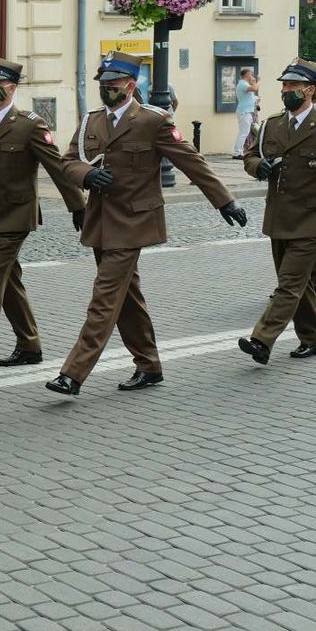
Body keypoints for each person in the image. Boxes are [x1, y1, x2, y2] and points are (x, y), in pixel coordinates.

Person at [46, 51, 246, 397]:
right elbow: (67, 163)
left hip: (135, 220)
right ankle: (149, 365)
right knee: (127, 298)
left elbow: (191, 161)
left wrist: (224, 200)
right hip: (101, 220)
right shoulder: (92, 120)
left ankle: (73, 373)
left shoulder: (153, 120)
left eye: (113, 84)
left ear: (131, 84)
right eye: (103, 85)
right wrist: (88, 174)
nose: (107, 90)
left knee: (104, 298)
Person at [0, 58, 85, 371]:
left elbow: (57, 167)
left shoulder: (30, 124)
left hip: (15, 215)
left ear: (11, 89)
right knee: (10, 282)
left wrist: (78, 205)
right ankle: (29, 344)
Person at [238, 57, 316, 364]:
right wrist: (259, 167)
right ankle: (312, 337)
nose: (286, 90)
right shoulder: (271, 124)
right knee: (304, 285)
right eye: (284, 85)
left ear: (310, 90)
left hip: (311, 221)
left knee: (288, 284)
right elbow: (248, 155)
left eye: (293, 86)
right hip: (279, 218)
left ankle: (262, 339)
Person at [233, 68, 260, 159]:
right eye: (250, 74)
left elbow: (249, 97)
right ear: (246, 75)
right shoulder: (242, 84)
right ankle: (237, 153)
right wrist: (258, 81)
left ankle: (238, 151)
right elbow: (255, 88)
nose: (252, 76)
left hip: (246, 111)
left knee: (245, 132)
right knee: (244, 132)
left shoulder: (244, 84)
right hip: (244, 112)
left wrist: (256, 99)